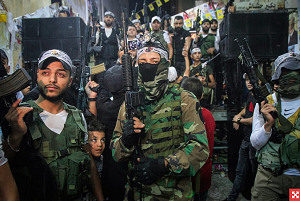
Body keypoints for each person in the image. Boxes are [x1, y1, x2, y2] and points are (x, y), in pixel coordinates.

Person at [111, 37, 209, 200]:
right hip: (138, 194)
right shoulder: (129, 103)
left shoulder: (184, 99)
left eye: (154, 60)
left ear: (164, 63)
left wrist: (163, 165)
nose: (147, 65)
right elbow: (115, 153)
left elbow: (200, 149)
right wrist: (126, 142)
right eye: (142, 61)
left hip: (174, 195)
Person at [3, 49, 103, 201]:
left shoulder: (77, 117)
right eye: (46, 73)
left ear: (70, 81)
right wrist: (16, 135)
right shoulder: (20, 115)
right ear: (37, 76)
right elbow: (4, 166)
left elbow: (90, 164)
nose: (52, 80)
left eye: (61, 74)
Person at [250, 52, 300, 200]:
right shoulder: (267, 102)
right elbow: (255, 143)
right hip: (269, 177)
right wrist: (268, 125)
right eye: (286, 71)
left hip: (296, 183)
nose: (291, 76)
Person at [85, 65, 128, 201]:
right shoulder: (131, 107)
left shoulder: (105, 108)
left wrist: (99, 83)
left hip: (110, 167)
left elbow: (102, 92)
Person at [224, 73, 257, 201]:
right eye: (247, 80)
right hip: (246, 139)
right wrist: (238, 115)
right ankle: (232, 198)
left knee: (257, 174)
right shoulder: (250, 95)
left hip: (255, 142)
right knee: (239, 171)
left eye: (251, 79)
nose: (249, 82)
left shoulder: (261, 98)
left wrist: (239, 120)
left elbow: (256, 120)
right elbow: (246, 110)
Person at [181, 77, 215, 201]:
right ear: (201, 96)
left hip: (184, 173)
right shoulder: (207, 115)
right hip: (203, 171)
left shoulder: (179, 114)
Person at [94, 11, 119, 82]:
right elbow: (95, 43)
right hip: (101, 61)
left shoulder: (116, 32)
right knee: (100, 81)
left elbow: (119, 46)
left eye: (110, 17)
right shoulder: (100, 30)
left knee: (112, 81)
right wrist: (97, 31)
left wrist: (118, 59)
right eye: (107, 17)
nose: (108, 19)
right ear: (104, 18)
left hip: (112, 61)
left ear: (113, 19)